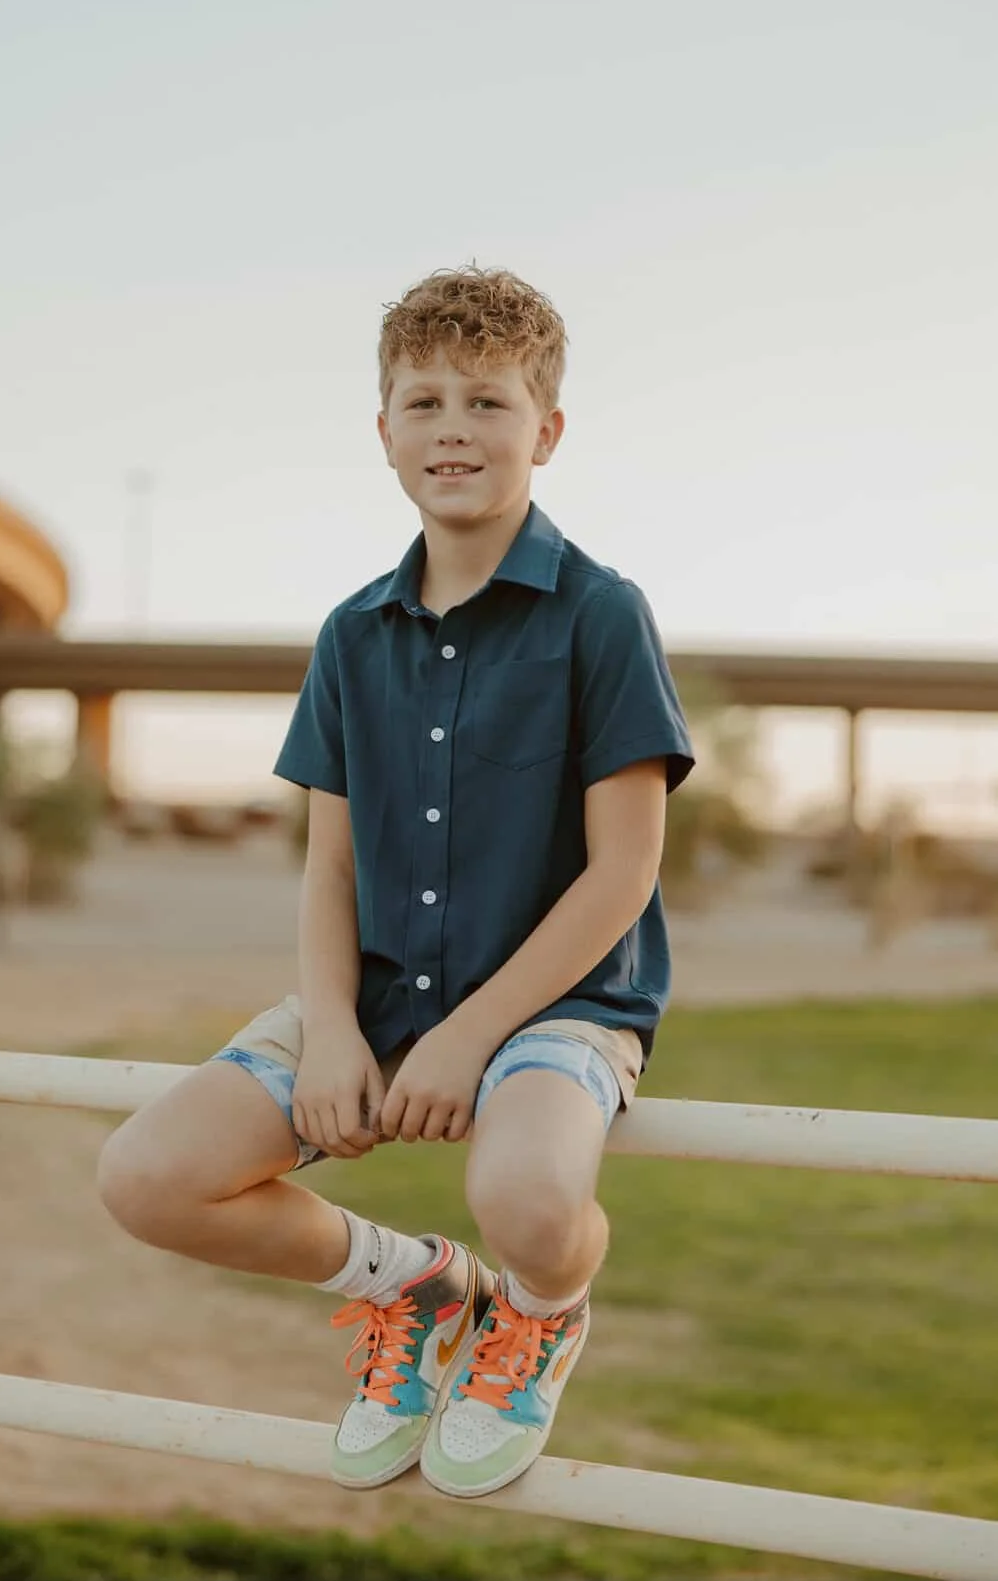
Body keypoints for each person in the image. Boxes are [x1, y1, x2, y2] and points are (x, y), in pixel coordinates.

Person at [98, 265, 694, 1499]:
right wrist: (329, 1034)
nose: (453, 430)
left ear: (547, 430)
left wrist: (470, 1038)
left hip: (558, 1002)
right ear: (384, 433)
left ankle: (539, 1313)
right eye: (424, 403)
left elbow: (623, 872)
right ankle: (417, 1289)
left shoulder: (601, 615)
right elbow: (331, 865)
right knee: (148, 1178)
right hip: (372, 996)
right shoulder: (350, 635)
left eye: (487, 402)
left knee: (528, 1201)